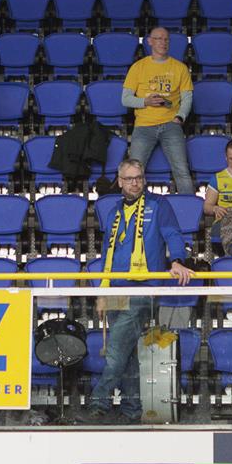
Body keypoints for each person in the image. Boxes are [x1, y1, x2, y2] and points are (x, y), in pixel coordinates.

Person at [86, 159, 194, 424]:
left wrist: (177, 260)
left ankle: (98, 403)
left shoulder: (158, 205)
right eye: (130, 178)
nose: (135, 183)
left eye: (139, 177)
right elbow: (107, 255)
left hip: (145, 289)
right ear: (120, 181)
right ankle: (132, 410)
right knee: (127, 354)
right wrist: (102, 293)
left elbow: (173, 235)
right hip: (116, 290)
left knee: (115, 351)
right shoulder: (113, 212)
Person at [122, 27, 195, 195]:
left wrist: (180, 117)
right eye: (159, 39)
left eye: (166, 39)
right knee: (133, 171)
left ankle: (189, 208)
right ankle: (132, 206)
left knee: (182, 170)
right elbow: (125, 99)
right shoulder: (138, 67)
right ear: (149, 41)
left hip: (170, 124)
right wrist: (145, 101)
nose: (163, 42)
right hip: (144, 125)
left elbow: (187, 97)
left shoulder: (180, 68)